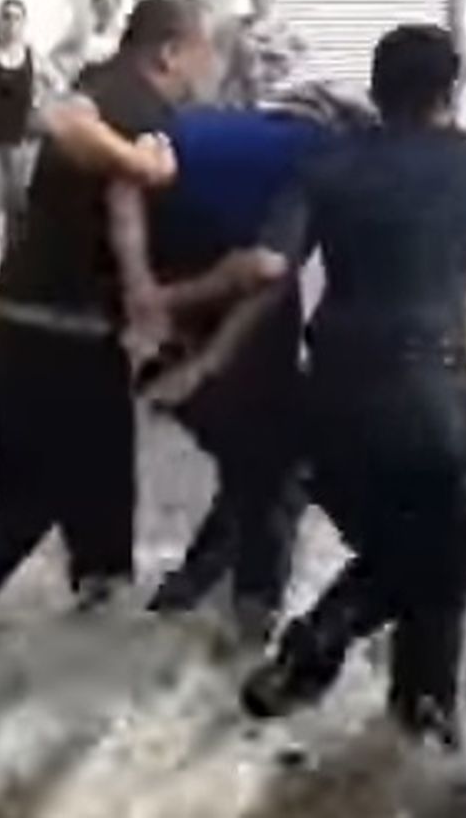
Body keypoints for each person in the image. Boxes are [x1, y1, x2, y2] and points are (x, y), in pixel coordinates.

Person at [179, 26, 466, 750]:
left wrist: (173, 297)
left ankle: (329, 671)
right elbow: (422, 158)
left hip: (332, 400)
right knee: (445, 560)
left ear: (375, 86)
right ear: (449, 91)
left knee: (413, 554)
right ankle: (329, 648)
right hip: (437, 394)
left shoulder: (329, 168)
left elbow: (266, 266)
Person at [0, 0, 213, 641]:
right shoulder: (136, 103)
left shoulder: (106, 82)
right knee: (89, 516)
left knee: (27, 504)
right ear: (171, 50)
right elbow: (59, 121)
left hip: (13, 326)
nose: (207, 73)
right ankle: (85, 667)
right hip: (64, 342)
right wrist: (143, 165)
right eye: (203, 55)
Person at [106, 85, 377, 644]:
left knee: (255, 468)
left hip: (148, 291)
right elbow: (265, 268)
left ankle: (183, 600)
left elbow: (125, 174)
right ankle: (249, 628)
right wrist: (192, 339)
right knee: (279, 474)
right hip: (208, 297)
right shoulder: (328, 158)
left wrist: (141, 286)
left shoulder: (202, 124)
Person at [0, 0, 61, 285]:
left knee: (18, 208)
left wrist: (43, 108)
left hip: (23, 144)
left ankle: (14, 266)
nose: (11, 22)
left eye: (17, 17)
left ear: (24, 23)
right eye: (6, 16)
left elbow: (58, 84)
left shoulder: (33, 56)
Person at [220, 0, 309, 106]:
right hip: (247, 77)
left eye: (265, 1)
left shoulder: (282, 25)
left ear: (272, 2)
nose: (261, 5)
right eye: (257, 1)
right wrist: (225, 85)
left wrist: (291, 62)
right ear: (252, 2)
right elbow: (234, 56)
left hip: (272, 75)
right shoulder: (243, 23)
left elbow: (304, 47)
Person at [51, 0, 125, 89]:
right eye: (102, 6)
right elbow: (54, 54)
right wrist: (69, 72)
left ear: (118, 7)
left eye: (110, 6)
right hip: (87, 88)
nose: (106, 11)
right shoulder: (82, 35)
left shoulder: (126, 36)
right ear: (93, 7)